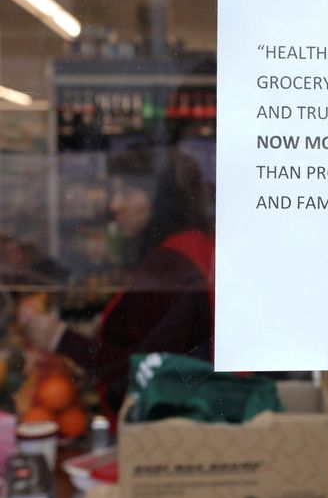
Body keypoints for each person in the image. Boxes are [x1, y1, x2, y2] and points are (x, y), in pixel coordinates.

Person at [19, 146, 214, 414]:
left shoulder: (169, 266)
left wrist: (60, 338)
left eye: (128, 192)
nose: (115, 205)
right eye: (116, 192)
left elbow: (140, 369)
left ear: (162, 199)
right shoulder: (192, 246)